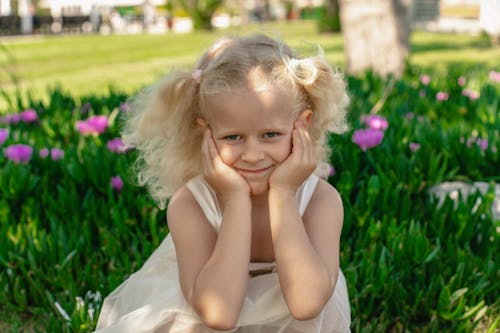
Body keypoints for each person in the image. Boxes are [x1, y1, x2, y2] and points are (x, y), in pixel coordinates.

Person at [94, 34, 351, 333]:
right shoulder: (191, 206)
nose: (253, 155)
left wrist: (283, 194)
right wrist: (235, 201)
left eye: (270, 134)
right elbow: (220, 314)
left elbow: (306, 305)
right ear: (207, 132)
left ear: (302, 125)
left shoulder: (320, 201)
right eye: (233, 137)